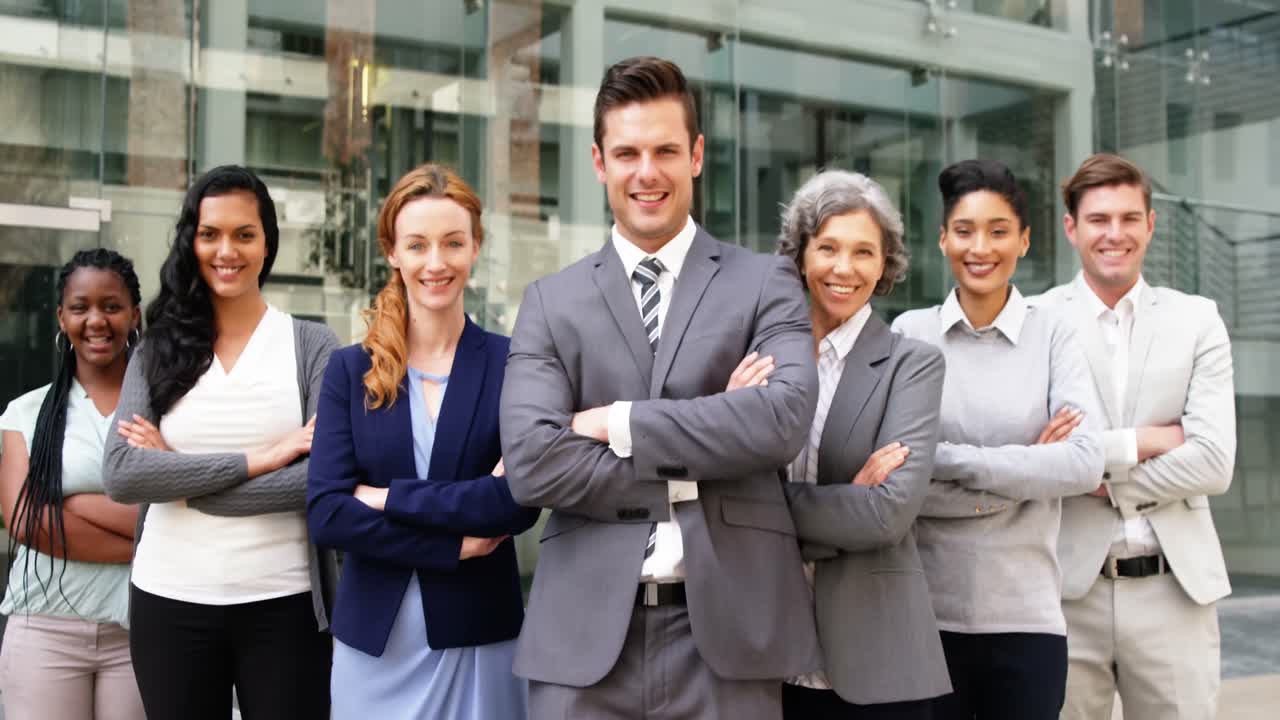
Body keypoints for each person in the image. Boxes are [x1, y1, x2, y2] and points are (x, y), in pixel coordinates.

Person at [500, 56, 820, 719]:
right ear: (598, 162)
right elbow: (532, 466)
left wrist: (618, 422)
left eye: (666, 150)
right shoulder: (550, 303)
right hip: (581, 646)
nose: (647, 172)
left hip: (729, 642)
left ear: (697, 154)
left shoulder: (766, 282)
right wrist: (714, 446)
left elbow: (783, 419)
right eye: (628, 153)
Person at [101, 165, 339, 720]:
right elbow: (122, 473)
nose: (225, 250)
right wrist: (263, 457)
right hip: (170, 599)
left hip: (285, 603)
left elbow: (321, 477)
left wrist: (182, 481)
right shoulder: (159, 346)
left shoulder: (311, 344)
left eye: (244, 234)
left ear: (267, 243)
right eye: (210, 234)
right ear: (192, 240)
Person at [307, 163, 539, 719]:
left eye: (453, 243)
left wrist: (386, 498)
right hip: (373, 647)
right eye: (417, 245)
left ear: (475, 247)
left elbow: (517, 502)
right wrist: (451, 545)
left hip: (480, 637)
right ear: (393, 252)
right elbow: (328, 514)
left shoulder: (514, 363)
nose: (436, 263)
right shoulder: (349, 370)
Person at [891, 159, 1105, 720]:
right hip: (924, 620)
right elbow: (894, 482)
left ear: (1025, 241)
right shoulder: (907, 336)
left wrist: (945, 461)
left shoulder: (1055, 335)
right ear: (942, 239)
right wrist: (1030, 469)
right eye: (963, 230)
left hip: (1028, 624)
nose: (979, 247)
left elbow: (1084, 464)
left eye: (998, 230)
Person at [1035, 154, 1235, 720]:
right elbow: (1036, 455)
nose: (1114, 234)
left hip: (1176, 594)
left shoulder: (1198, 320)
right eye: (1098, 219)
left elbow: (1214, 462)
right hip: (1069, 594)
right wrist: (1147, 440)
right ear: (1072, 228)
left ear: (1151, 224)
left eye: (1129, 218)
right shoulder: (1036, 320)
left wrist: (1094, 472)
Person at [775, 171, 951, 719]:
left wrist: (765, 514)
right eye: (827, 247)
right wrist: (844, 501)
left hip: (875, 664)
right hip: (765, 653)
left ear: (885, 265)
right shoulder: (760, 356)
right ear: (801, 255)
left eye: (864, 252)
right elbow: (720, 498)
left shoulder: (911, 365)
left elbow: (886, 515)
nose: (844, 268)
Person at [0, 249, 146, 720]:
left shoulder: (164, 412)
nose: (96, 320)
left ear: (134, 315)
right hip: (44, 629)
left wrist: (75, 503)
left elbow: (178, 514)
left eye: (111, 306)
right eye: (80, 307)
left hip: (141, 631)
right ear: (62, 317)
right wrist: (148, 541)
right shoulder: (26, 413)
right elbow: (24, 520)